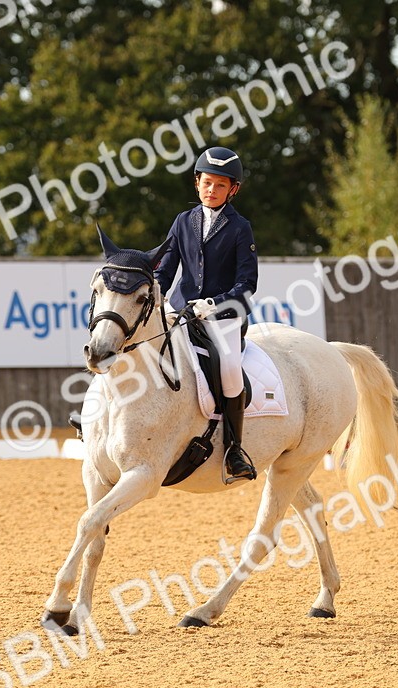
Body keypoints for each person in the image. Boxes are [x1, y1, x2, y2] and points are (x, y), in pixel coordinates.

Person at [154, 145, 259, 483]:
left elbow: (247, 283)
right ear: (197, 182)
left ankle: (234, 449)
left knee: (229, 369)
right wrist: (156, 293)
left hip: (223, 316)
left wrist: (215, 304)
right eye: (207, 183)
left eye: (220, 185)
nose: (212, 191)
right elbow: (166, 269)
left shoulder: (240, 227)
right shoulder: (183, 221)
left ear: (233, 190)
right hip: (182, 311)